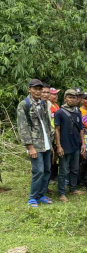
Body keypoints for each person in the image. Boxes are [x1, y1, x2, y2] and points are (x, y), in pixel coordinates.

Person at [17, 79, 53, 207]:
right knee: (38, 171)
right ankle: (32, 197)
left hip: (46, 143)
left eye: (40, 89)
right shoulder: (24, 104)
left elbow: (47, 123)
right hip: (35, 145)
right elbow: (23, 127)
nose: (38, 91)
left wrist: (52, 140)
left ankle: (41, 195)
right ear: (29, 89)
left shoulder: (43, 104)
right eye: (35, 89)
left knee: (47, 170)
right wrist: (30, 147)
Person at [54, 89, 86, 202]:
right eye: (70, 97)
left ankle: (73, 189)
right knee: (63, 170)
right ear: (65, 98)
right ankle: (62, 193)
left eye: (74, 97)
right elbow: (57, 130)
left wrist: (83, 144)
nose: (72, 99)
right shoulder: (60, 112)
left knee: (75, 169)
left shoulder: (77, 111)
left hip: (76, 145)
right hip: (65, 145)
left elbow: (81, 129)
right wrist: (58, 146)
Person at [49, 87, 60, 181]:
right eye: (54, 94)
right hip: (50, 134)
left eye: (57, 94)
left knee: (55, 155)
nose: (56, 96)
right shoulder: (47, 106)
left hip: (56, 133)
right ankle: (51, 176)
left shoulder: (56, 105)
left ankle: (54, 175)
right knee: (51, 155)